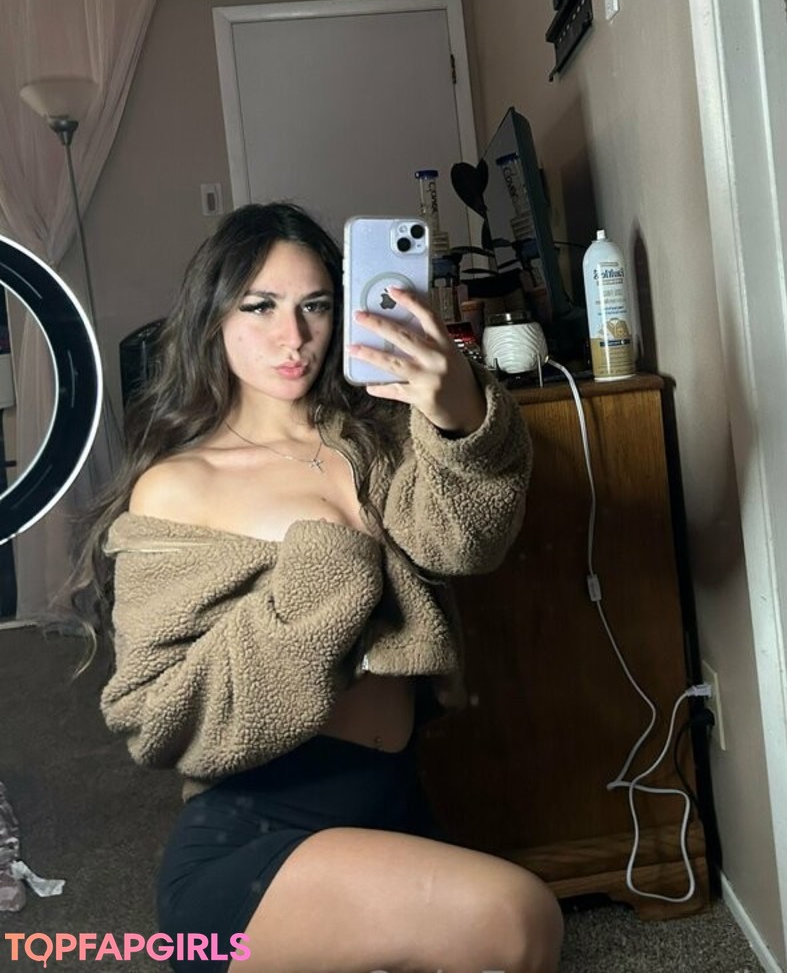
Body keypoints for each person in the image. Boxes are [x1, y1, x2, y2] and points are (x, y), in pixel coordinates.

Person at [68, 202, 564, 973]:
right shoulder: (178, 485)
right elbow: (158, 714)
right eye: (260, 306)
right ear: (213, 316)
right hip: (255, 839)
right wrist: (325, 574)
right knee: (520, 918)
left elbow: (466, 541)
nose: (292, 335)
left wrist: (459, 410)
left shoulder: (370, 440)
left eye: (315, 305)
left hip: (393, 802)